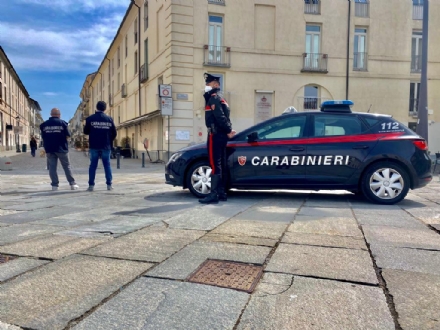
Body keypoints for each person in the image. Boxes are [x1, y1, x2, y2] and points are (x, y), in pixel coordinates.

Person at [199, 73, 236, 204]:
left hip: (215, 135)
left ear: (215, 84)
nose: (206, 86)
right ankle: (221, 192)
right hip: (221, 135)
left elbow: (220, 117)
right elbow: (226, 117)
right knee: (221, 164)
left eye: (208, 84)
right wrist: (228, 130)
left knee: (215, 165)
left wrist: (228, 130)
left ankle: (213, 194)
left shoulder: (214, 98)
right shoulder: (221, 98)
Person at [40, 108, 79, 191]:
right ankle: (72, 184)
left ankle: (54, 185)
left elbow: (43, 136)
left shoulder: (44, 125)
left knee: (52, 167)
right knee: (66, 166)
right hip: (61, 148)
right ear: (59, 114)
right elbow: (68, 135)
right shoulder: (63, 123)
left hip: (49, 148)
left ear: (51, 114)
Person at [84, 101, 117, 191]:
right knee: (107, 165)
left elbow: (85, 131)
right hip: (106, 146)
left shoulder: (90, 119)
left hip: (94, 145)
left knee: (93, 165)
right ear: (105, 108)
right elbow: (114, 133)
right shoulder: (109, 119)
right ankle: (109, 185)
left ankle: (91, 185)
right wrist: (109, 140)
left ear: (96, 107)